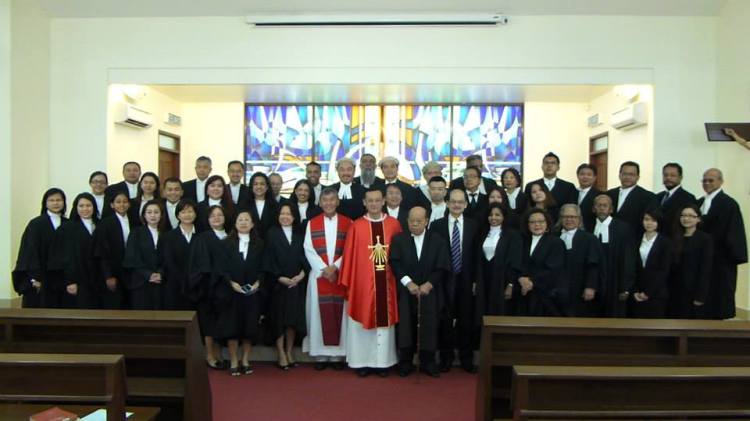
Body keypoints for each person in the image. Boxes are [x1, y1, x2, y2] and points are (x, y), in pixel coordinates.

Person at [339, 188, 402, 377]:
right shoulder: (356, 226)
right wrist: (351, 282)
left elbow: (400, 255)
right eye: (370, 201)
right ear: (364, 203)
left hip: (387, 283)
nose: (374, 204)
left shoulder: (394, 225)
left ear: (383, 201)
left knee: (384, 321)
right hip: (362, 285)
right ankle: (362, 362)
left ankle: (383, 363)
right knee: (361, 319)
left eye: (377, 200)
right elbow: (349, 257)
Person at [390, 206, 450, 378]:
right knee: (406, 325)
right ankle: (406, 361)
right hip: (406, 290)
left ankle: (428, 361)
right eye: (412, 221)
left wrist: (429, 284)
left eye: (419, 221)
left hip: (429, 291)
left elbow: (442, 266)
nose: (415, 224)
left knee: (429, 324)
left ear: (426, 221)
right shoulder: (399, 240)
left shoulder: (437, 240)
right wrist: (408, 283)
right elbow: (395, 264)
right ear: (407, 221)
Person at [429, 189, 479, 373]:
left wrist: (475, 280)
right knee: (445, 320)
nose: (457, 205)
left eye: (461, 202)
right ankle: (445, 358)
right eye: (453, 201)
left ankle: (466, 359)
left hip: (466, 280)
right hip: (443, 280)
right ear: (447, 203)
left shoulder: (474, 225)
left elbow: (476, 256)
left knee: (466, 319)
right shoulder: (436, 226)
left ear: (466, 204)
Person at [302, 188, 352, 370]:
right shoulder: (312, 223)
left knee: (341, 314)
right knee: (317, 314)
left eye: (332, 199)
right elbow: (308, 248)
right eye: (325, 200)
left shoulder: (348, 223)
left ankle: (338, 355)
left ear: (337, 201)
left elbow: (350, 248)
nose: (329, 203)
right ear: (320, 203)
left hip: (340, 276)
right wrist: (324, 268)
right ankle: (321, 355)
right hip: (319, 276)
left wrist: (336, 267)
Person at [215, 210, 267, 376]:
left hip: (253, 292)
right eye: (240, 220)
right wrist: (231, 283)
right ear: (235, 223)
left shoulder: (260, 244)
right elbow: (220, 268)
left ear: (252, 224)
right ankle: (234, 359)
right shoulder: (225, 243)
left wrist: (258, 283)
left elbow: (265, 267)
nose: (243, 222)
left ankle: (245, 359)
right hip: (232, 292)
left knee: (249, 327)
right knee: (233, 327)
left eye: (247, 219)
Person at [697, 168, 748, 319]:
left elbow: (733, 232)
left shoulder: (729, 204)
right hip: (702, 258)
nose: (707, 183)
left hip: (721, 259)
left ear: (721, 181)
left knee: (719, 295)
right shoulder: (699, 202)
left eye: (711, 180)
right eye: (704, 180)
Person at [265, 203, 309, 370]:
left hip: (297, 282)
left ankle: (289, 351)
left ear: (294, 216)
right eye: (282, 213)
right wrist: (279, 277)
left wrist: (301, 275)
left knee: (292, 320)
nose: (285, 216)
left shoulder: (300, 234)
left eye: (289, 214)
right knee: (279, 320)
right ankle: (280, 353)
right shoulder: (272, 233)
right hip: (278, 284)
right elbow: (268, 258)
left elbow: (306, 256)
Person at [188, 205, 229, 369]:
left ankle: (219, 354)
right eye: (213, 216)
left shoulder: (230, 237)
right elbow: (198, 264)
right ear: (207, 219)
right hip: (207, 288)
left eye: (220, 215)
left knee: (222, 322)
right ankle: (209, 355)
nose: (217, 218)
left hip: (226, 287)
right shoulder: (202, 238)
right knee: (208, 322)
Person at [12, 188, 68, 308]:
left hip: (62, 279)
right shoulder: (36, 224)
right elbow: (29, 252)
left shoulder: (68, 224)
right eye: (51, 200)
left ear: (64, 202)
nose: (56, 203)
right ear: (45, 203)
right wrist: (34, 278)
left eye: (59, 200)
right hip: (41, 278)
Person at [474, 203, 523, 320]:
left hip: (502, 280)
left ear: (504, 216)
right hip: (484, 279)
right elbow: (477, 259)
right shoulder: (482, 234)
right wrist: (475, 281)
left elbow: (515, 261)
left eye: (497, 215)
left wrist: (511, 284)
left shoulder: (512, 235)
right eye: (490, 215)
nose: (493, 217)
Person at [53, 192, 101, 309]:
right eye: (81, 206)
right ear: (76, 208)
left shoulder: (101, 225)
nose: (85, 209)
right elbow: (65, 256)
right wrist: (70, 281)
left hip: (98, 279)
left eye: (88, 206)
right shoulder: (67, 228)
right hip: (78, 280)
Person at [593, 195, 636, 317]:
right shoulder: (588, 227)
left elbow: (628, 259)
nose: (602, 208)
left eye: (605, 205)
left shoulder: (623, 228)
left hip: (616, 281)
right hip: (595, 282)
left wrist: (626, 287)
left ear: (611, 209)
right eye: (599, 205)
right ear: (593, 208)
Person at [517, 208, 566, 316]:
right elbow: (517, 263)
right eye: (533, 222)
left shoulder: (556, 242)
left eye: (541, 221)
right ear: (527, 225)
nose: (537, 225)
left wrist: (531, 281)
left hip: (546, 295)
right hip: (523, 293)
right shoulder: (522, 241)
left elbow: (554, 269)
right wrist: (521, 278)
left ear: (547, 223)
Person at [557, 204, 603, 317]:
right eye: (565, 216)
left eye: (573, 217)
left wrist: (590, 287)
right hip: (558, 290)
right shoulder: (554, 236)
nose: (569, 219)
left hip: (580, 288)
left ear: (579, 219)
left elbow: (594, 265)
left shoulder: (589, 239)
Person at [669, 204, 713, 319]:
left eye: (691, 216)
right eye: (683, 215)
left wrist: (700, 295)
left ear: (698, 219)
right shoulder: (675, 237)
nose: (686, 218)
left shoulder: (705, 239)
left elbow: (706, 269)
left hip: (693, 290)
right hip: (674, 288)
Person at [122, 200, 167, 310]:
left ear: (161, 215)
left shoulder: (167, 234)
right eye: (149, 212)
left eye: (156, 212)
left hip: (162, 282)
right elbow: (132, 257)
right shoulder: (136, 233)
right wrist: (148, 275)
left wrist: (161, 273)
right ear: (144, 215)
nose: (153, 215)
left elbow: (168, 258)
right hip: (140, 283)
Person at [92, 191, 133, 309]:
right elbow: (102, 252)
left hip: (130, 271)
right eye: (118, 202)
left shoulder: (134, 221)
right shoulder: (105, 224)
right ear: (112, 205)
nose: (122, 205)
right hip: (113, 271)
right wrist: (108, 276)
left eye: (125, 202)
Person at [630, 208, 672, 318]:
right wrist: (635, 290)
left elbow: (664, 270)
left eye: (653, 220)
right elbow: (631, 266)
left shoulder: (665, 242)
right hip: (636, 291)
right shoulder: (635, 239)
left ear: (659, 222)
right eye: (646, 219)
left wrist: (648, 292)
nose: (649, 223)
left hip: (657, 293)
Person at [162, 199, 198, 311]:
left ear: (195, 214)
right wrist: (182, 278)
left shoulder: (202, 235)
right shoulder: (169, 236)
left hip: (198, 285)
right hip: (175, 284)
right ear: (178, 215)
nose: (187, 215)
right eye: (183, 212)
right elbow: (168, 261)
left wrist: (194, 278)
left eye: (190, 211)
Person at [606, 161, 657, 237]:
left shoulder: (648, 196)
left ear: (638, 177)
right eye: (625, 174)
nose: (627, 177)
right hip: (609, 238)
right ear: (619, 175)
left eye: (631, 174)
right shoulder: (609, 194)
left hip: (634, 240)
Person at [655, 163, 696, 237]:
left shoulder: (688, 197)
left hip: (677, 241)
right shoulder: (658, 196)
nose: (668, 178)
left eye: (672, 175)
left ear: (680, 177)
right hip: (658, 241)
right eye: (665, 175)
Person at [247, 172, 278, 240]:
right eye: (255, 184)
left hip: (270, 243)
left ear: (267, 187)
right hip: (250, 243)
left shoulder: (275, 206)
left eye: (262, 184)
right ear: (251, 187)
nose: (259, 186)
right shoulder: (244, 205)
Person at [575, 163, 602, 232]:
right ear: (577, 176)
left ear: (594, 178)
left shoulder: (599, 195)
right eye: (582, 174)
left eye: (589, 175)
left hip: (591, 230)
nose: (585, 177)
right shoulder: (571, 192)